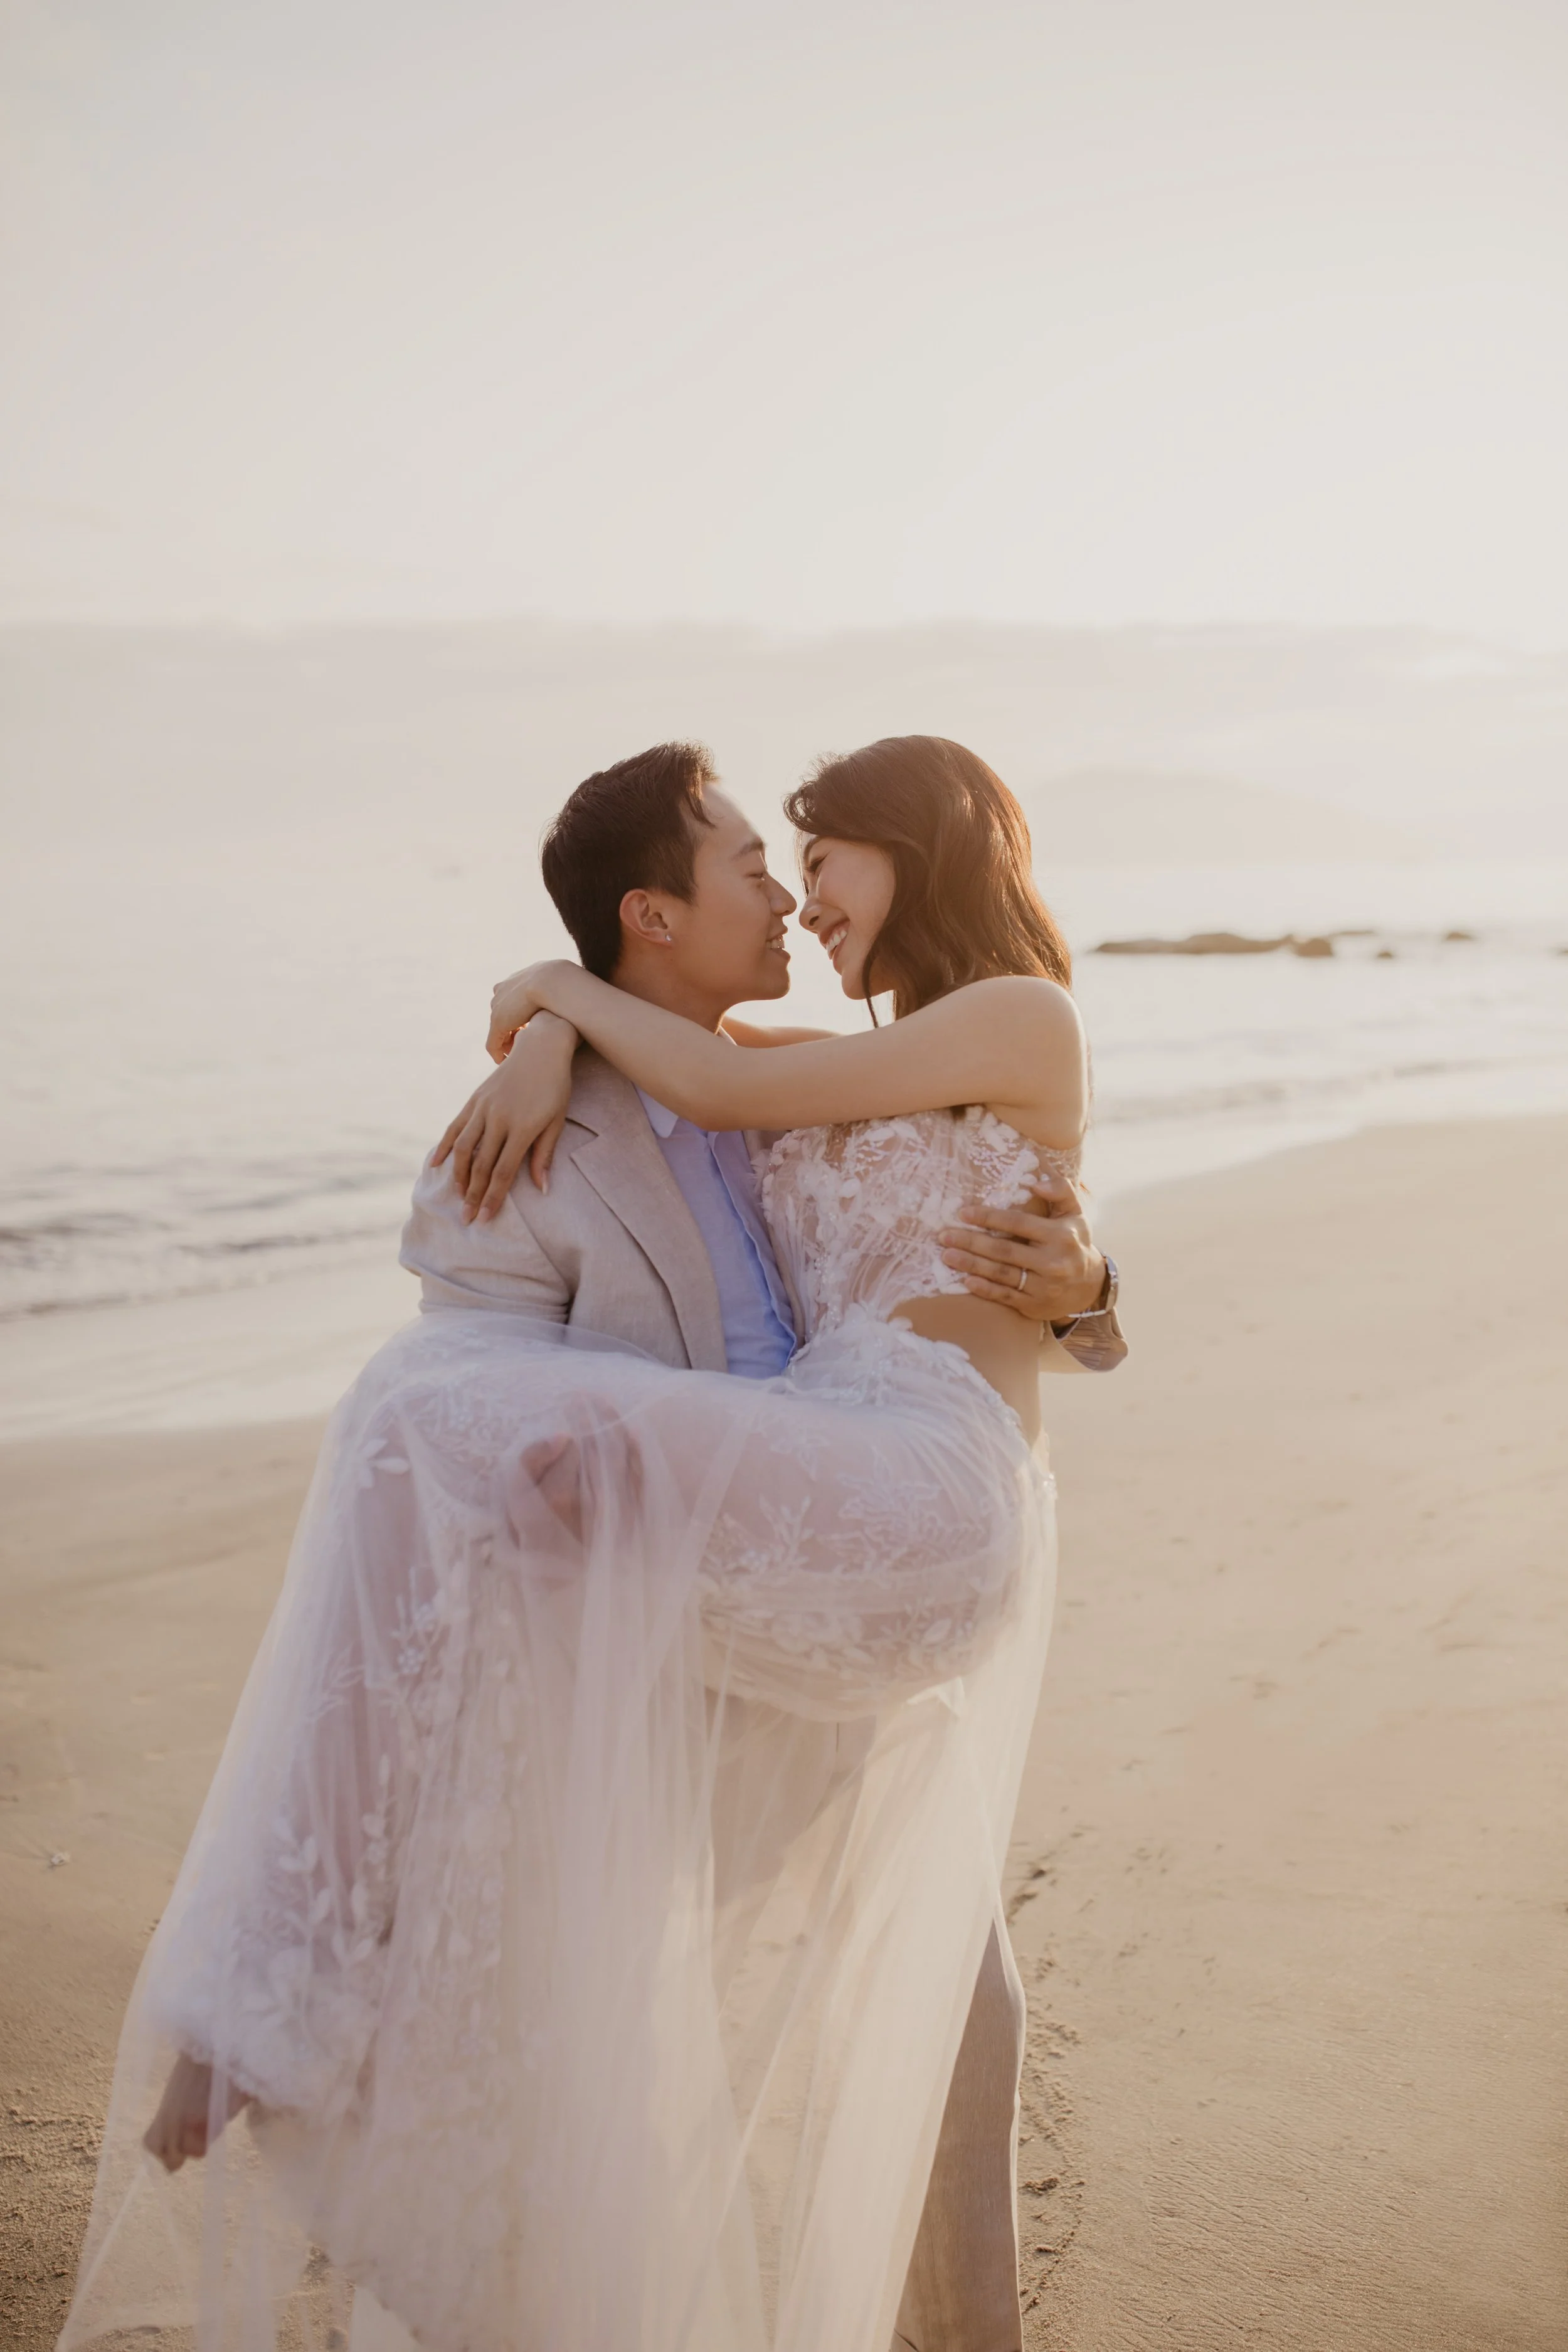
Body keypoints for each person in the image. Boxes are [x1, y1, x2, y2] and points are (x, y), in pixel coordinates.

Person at [62, 737, 1119, 2352]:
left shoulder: (1015, 1020)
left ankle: (292, 1991)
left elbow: (729, 1083)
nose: (799, 894)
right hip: (800, 1514)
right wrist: (547, 1025)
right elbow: (685, 1055)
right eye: (772, 861)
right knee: (956, 2023)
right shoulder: (836, 1061)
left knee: (425, 1411)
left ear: (923, 850)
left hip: (913, 1491)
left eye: (819, 857)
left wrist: (1092, 1296)